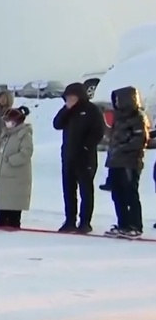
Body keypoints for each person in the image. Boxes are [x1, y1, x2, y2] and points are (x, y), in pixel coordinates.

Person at [53, 82, 105, 233]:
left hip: (85, 157)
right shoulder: (68, 111)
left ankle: (85, 222)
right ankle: (70, 220)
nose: (70, 99)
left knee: (86, 191)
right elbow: (57, 124)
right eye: (67, 97)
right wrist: (66, 110)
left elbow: (98, 132)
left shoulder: (91, 110)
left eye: (72, 97)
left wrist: (86, 147)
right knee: (69, 190)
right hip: (68, 156)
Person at [103, 86, 148, 239]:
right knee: (118, 195)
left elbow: (139, 140)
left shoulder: (138, 117)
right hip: (116, 162)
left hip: (130, 162)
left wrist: (121, 149)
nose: (116, 102)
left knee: (130, 194)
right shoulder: (119, 118)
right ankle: (122, 224)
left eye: (118, 99)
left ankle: (135, 225)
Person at [0, 106, 34, 230]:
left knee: (14, 200)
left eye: (9, 120)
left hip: (17, 175)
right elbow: (1, 150)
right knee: (2, 199)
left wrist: (11, 160)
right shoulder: (6, 135)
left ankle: (13, 222)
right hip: (4, 174)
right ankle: (0, 220)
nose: (7, 123)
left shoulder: (24, 134)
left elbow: (26, 152)